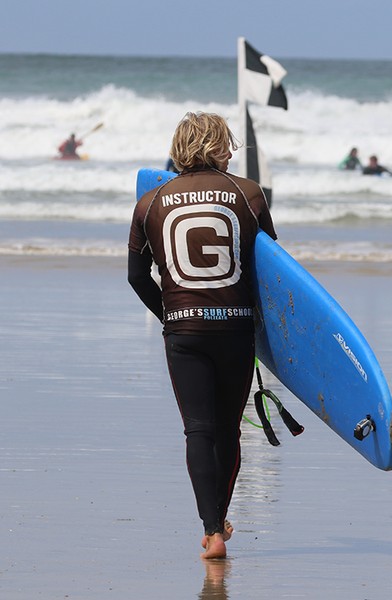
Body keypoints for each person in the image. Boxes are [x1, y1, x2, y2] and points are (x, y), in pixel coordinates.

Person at [127, 112, 277, 560]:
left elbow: (137, 276)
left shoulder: (149, 203)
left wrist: (172, 316)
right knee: (228, 428)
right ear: (211, 145)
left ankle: (212, 528)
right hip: (234, 328)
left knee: (198, 429)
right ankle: (218, 525)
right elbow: (270, 269)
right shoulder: (247, 193)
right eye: (226, 143)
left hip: (184, 332)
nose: (232, 151)